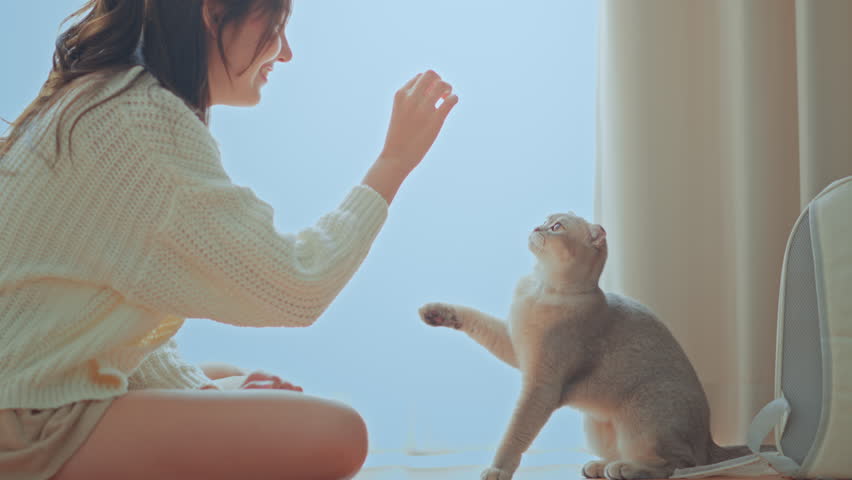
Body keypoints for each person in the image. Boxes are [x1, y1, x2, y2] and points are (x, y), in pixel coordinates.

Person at [0, 0, 458, 479]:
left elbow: (108, 330)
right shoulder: (138, 118)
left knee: (223, 376)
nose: (286, 53)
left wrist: (207, 393)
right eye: (276, 27)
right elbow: (297, 284)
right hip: (27, 424)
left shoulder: (99, 98)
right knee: (338, 434)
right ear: (214, 11)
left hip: (29, 394)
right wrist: (394, 161)